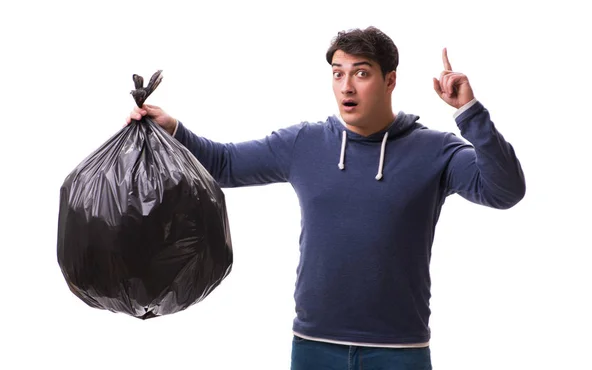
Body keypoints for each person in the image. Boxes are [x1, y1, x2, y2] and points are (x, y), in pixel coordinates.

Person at [126, 26, 526, 370]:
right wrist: (172, 127)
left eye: (361, 73)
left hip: (400, 352)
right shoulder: (306, 143)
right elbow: (225, 164)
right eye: (338, 74)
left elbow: (504, 190)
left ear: (390, 80)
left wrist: (469, 113)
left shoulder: (435, 151)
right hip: (315, 347)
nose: (346, 86)